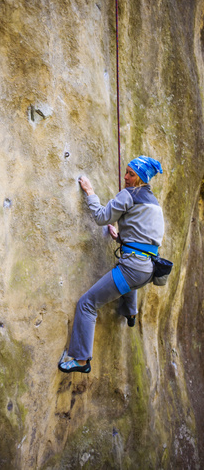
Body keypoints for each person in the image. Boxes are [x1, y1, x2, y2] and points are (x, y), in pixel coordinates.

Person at [58, 156, 164, 374]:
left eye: (131, 174)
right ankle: (130, 313)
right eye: (125, 171)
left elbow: (101, 217)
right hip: (149, 269)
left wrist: (89, 192)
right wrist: (121, 238)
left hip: (133, 270)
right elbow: (144, 236)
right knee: (128, 280)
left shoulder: (129, 195)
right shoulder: (154, 204)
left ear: (141, 178)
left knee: (87, 303)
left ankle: (80, 359)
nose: (125, 177)